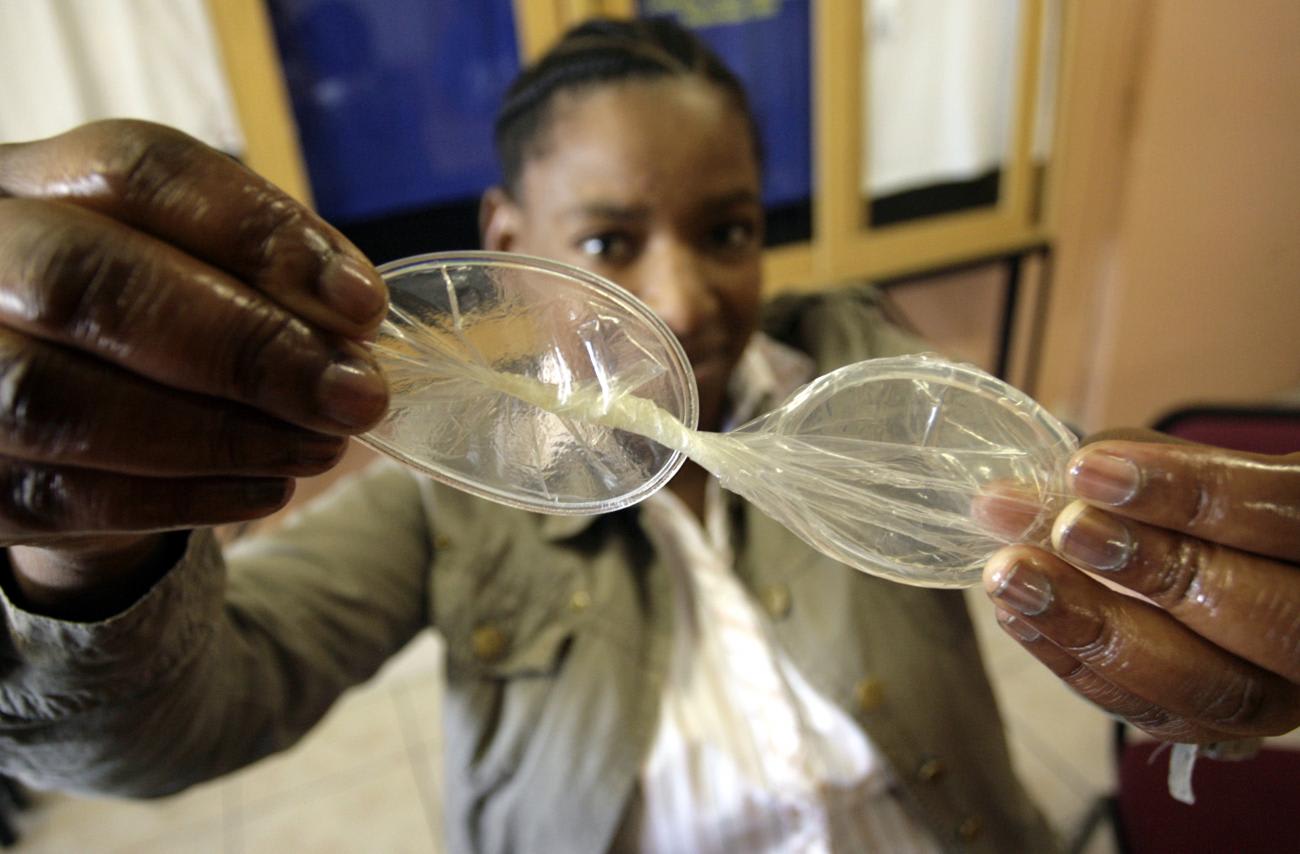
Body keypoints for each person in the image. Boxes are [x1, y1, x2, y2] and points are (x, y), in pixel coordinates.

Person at [0, 16, 1295, 854]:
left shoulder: (862, 359)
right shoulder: (448, 492)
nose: (683, 301)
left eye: (729, 229)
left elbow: (1066, 503)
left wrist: (1185, 591)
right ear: (508, 244)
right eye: (610, 242)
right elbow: (162, 729)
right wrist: (86, 548)